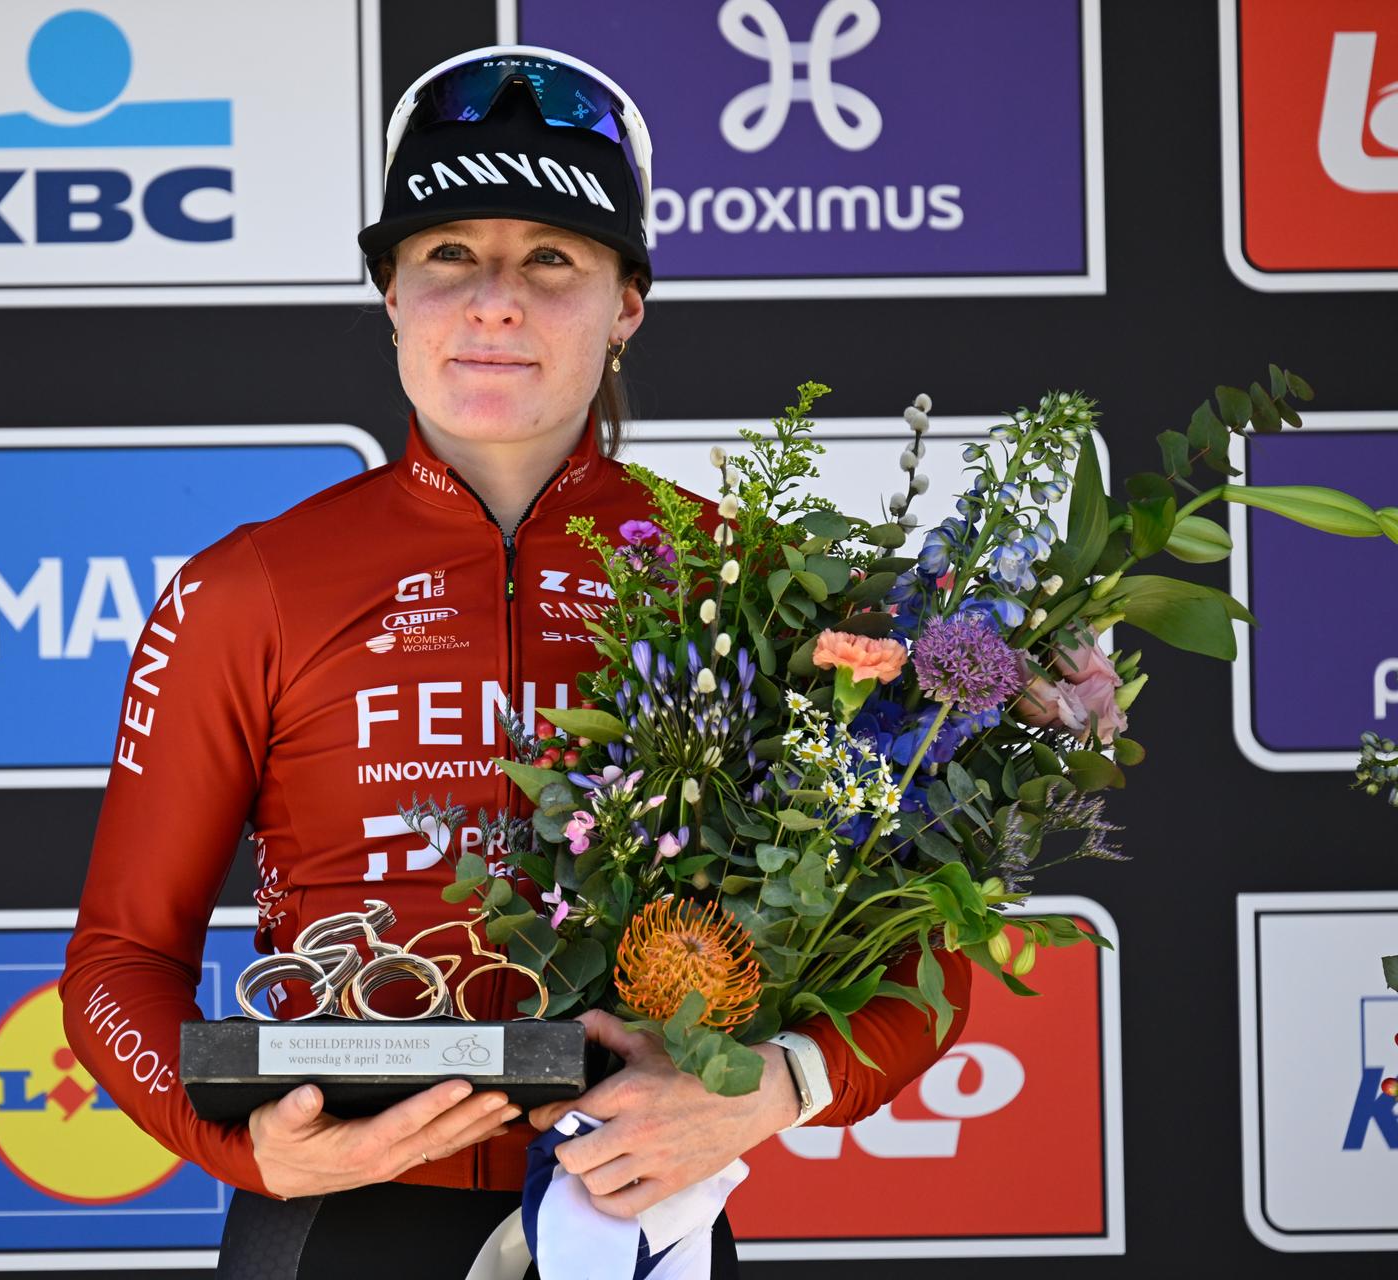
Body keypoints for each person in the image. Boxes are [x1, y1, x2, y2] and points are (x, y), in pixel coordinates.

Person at [61, 45, 971, 1279]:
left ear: (627, 301)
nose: (496, 301)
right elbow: (120, 961)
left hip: (640, 1206)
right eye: (450, 255)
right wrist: (250, 1155)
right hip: (341, 1218)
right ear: (390, 291)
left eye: (552, 258)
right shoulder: (246, 590)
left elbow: (926, 948)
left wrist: (769, 1088)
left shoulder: (755, 584)